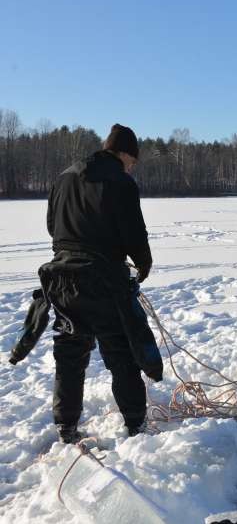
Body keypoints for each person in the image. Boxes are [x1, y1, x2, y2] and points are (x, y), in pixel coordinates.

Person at [43, 124, 162, 443]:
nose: (132, 166)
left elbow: (52, 225)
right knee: (121, 353)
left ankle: (65, 427)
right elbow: (133, 230)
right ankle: (137, 427)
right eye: (132, 161)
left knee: (70, 354)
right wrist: (143, 262)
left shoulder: (65, 175)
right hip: (103, 281)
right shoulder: (120, 181)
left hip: (63, 279)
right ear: (124, 153)